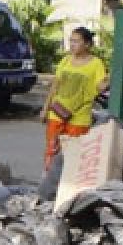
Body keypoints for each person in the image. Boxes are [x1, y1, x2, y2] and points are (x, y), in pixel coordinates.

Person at [40, 27, 107, 170]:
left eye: (76, 41)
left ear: (87, 44)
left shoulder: (96, 63)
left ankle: (67, 187)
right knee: (52, 152)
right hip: (57, 114)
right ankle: (50, 184)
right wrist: (45, 109)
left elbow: (101, 86)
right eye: (71, 41)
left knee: (73, 155)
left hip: (79, 118)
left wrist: (109, 81)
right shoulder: (65, 60)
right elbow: (55, 86)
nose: (72, 44)